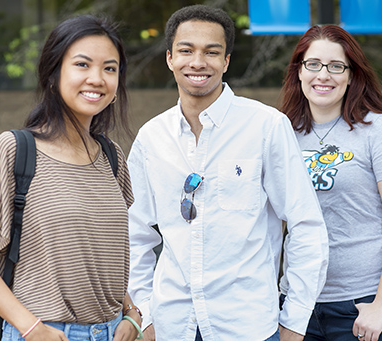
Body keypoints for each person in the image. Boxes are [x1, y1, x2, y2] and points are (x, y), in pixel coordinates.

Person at [127, 5, 329, 341]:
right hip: (172, 326)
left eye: (211, 52)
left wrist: (294, 321)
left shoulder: (266, 127)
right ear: (169, 58)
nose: (198, 62)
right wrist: (145, 314)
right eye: (186, 50)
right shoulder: (152, 137)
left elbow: (306, 227)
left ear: (226, 61)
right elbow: (135, 235)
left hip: (248, 327)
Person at [0, 15, 142, 341]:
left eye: (110, 68)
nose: (97, 78)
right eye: (82, 65)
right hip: (41, 332)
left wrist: (131, 314)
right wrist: (31, 328)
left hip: (114, 332)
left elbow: (102, 258)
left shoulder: (112, 157)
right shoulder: (13, 150)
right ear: (54, 74)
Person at [278, 25, 382, 341]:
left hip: (362, 307)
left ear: (351, 75)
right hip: (297, 307)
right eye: (313, 64)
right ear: (299, 71)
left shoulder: (376, 130)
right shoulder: (282, 133)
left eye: (336, 66)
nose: (323, 75)